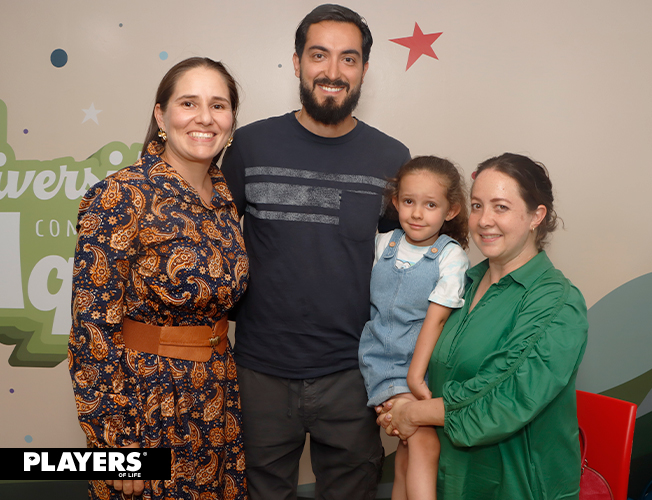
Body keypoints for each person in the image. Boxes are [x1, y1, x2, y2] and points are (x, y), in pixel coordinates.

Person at [221, 4, 410, 499]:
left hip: (354, 373)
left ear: (364, 69)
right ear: (297, 62)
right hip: (259, 371)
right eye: (319, 55)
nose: (332, 71)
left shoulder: (392, 158)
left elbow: (405, 268)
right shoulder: (249, 146)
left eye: (348, 59)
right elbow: (210, 242)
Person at [68, 57, 249, 500]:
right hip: (147, 403)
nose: (205, 118)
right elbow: (91, 328)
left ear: (231, 120)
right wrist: (114, 445)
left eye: (218, 105)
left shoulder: (223, 197)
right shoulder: (121, 195)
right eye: (189, 103)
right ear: (161, 116)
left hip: (217, 396)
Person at [377, 153, 588, 499]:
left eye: (501, 207)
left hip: (515, 487)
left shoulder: (556, 302)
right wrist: (394, 402)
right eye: (477, 206)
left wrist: (412, 413)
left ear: (536, 216)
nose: (484, 220)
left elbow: (503, 399)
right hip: (449, 481)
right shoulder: (460, 284)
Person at [358, 156, 470, 500]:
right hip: (385, 362)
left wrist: (417, 377)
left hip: (423, 369)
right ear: (395, 202)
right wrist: (412, 379)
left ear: (451, 210)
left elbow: (438, 318)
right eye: (409, 201)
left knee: (408, 452)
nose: (417, 213)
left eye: (430, 205)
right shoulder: (382, 244)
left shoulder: (451, 255)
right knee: (425, 443)